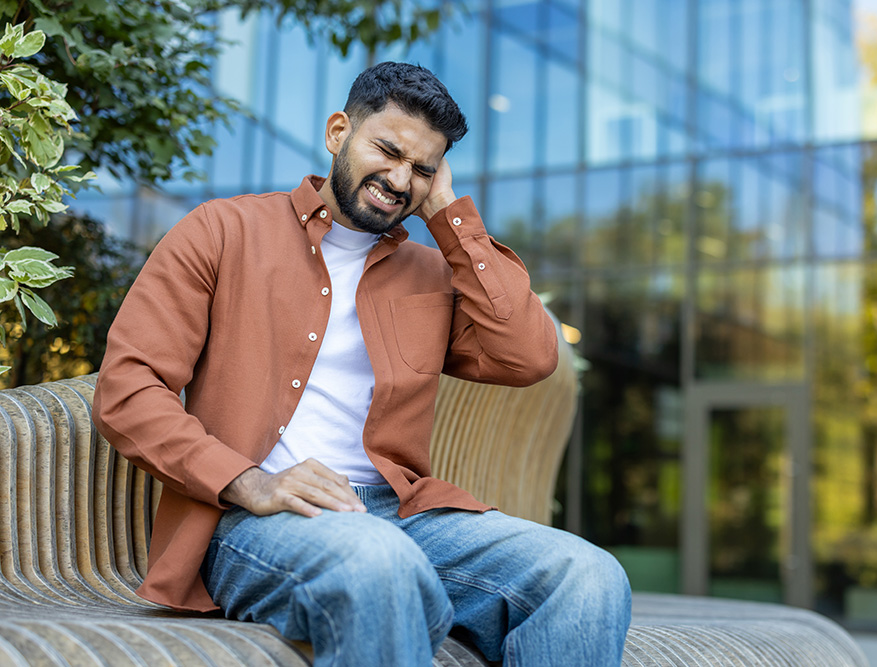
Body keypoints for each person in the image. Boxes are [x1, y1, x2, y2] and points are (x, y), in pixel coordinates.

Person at [94, 62, 631, 666]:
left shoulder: (432, 275)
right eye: (388, 150)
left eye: (423, 169)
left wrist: (448, 213)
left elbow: (530, 356)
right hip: (257, 518)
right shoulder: (223, 231)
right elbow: (128, 389)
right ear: (337, 133)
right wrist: (251, 482)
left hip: (401, 516)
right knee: (378, 560)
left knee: (588, 575)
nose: (400, 179)